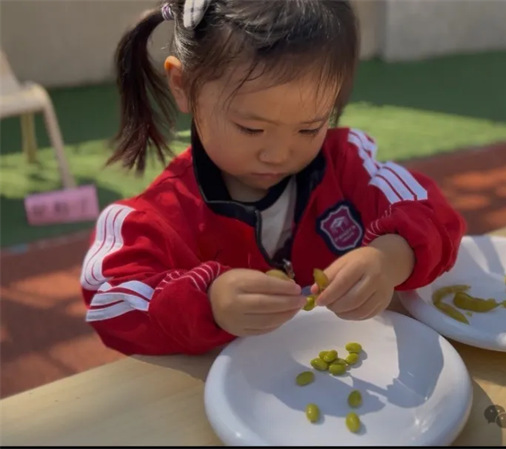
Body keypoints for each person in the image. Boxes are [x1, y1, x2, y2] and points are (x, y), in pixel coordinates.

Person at [79, 0, 466, 356]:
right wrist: (209, 301)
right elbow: (106, 299)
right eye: (251, 129)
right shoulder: (155, 219)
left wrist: (393, 256)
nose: (278, 155)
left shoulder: (348, 164)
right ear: (183, 86)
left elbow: (433, 213)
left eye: (309, 128)